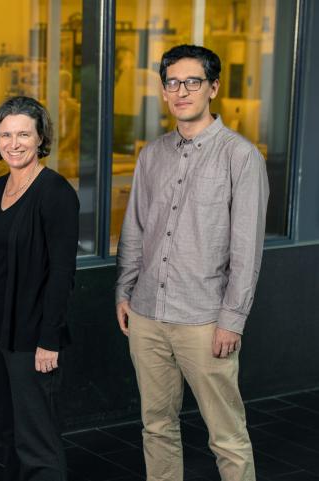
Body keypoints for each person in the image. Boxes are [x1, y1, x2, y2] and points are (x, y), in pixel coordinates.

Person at [115, 44, 268, 481]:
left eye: (192, 81)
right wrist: (124, 291)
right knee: (156, 427)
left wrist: (232, 320)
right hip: (146, 315)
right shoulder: (152, 154)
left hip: (204, 320)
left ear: (213, 88)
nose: (181, 91)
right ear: (164, 91)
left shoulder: (240, 157)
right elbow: (135, 230)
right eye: (172, 82)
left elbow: (246, 250)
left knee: (227, 436)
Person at [0, 96, 80, 481]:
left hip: (31, 335)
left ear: (40, 137)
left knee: (37, 439)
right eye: (6, 134)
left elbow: (62, 274)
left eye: (24, 134)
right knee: (8, 429)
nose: (14, 143)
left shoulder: (56, 192)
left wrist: (49, 339)